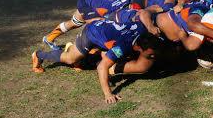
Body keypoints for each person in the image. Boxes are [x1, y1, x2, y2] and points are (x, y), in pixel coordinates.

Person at [32, 20, 162, 104]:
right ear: (138, 48)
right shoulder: (122, 47)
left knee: (105, 54)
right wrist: (108, 94)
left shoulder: (142, 29)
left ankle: (80, 54)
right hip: (91, 33)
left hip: (105, 30)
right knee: (70, 59)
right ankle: (39, 55)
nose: (152, 56)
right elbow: (102, 67)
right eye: (150, 54)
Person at [42, 0, 137, 50]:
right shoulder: (117, 13)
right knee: (97, 28)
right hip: (87, 2)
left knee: (75, 23)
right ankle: (72, 49)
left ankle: (49, 38)